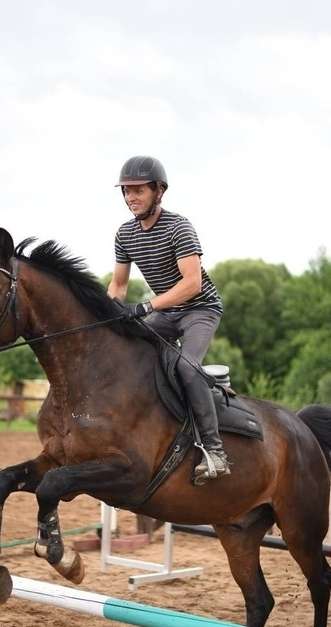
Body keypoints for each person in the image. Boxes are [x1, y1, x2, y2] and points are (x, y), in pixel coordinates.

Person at [107, 155, 230, 482]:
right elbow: (118, 285)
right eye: (126, 191)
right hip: (166, 311)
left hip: (200, 310)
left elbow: (192, 284)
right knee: (132, 356)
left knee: (187, 367)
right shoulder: (124, 234)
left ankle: (215, 451)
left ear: (158, 191)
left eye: (138, 190)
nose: (131, 197)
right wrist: (106, 316)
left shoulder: (179, 227)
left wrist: (147, 306)